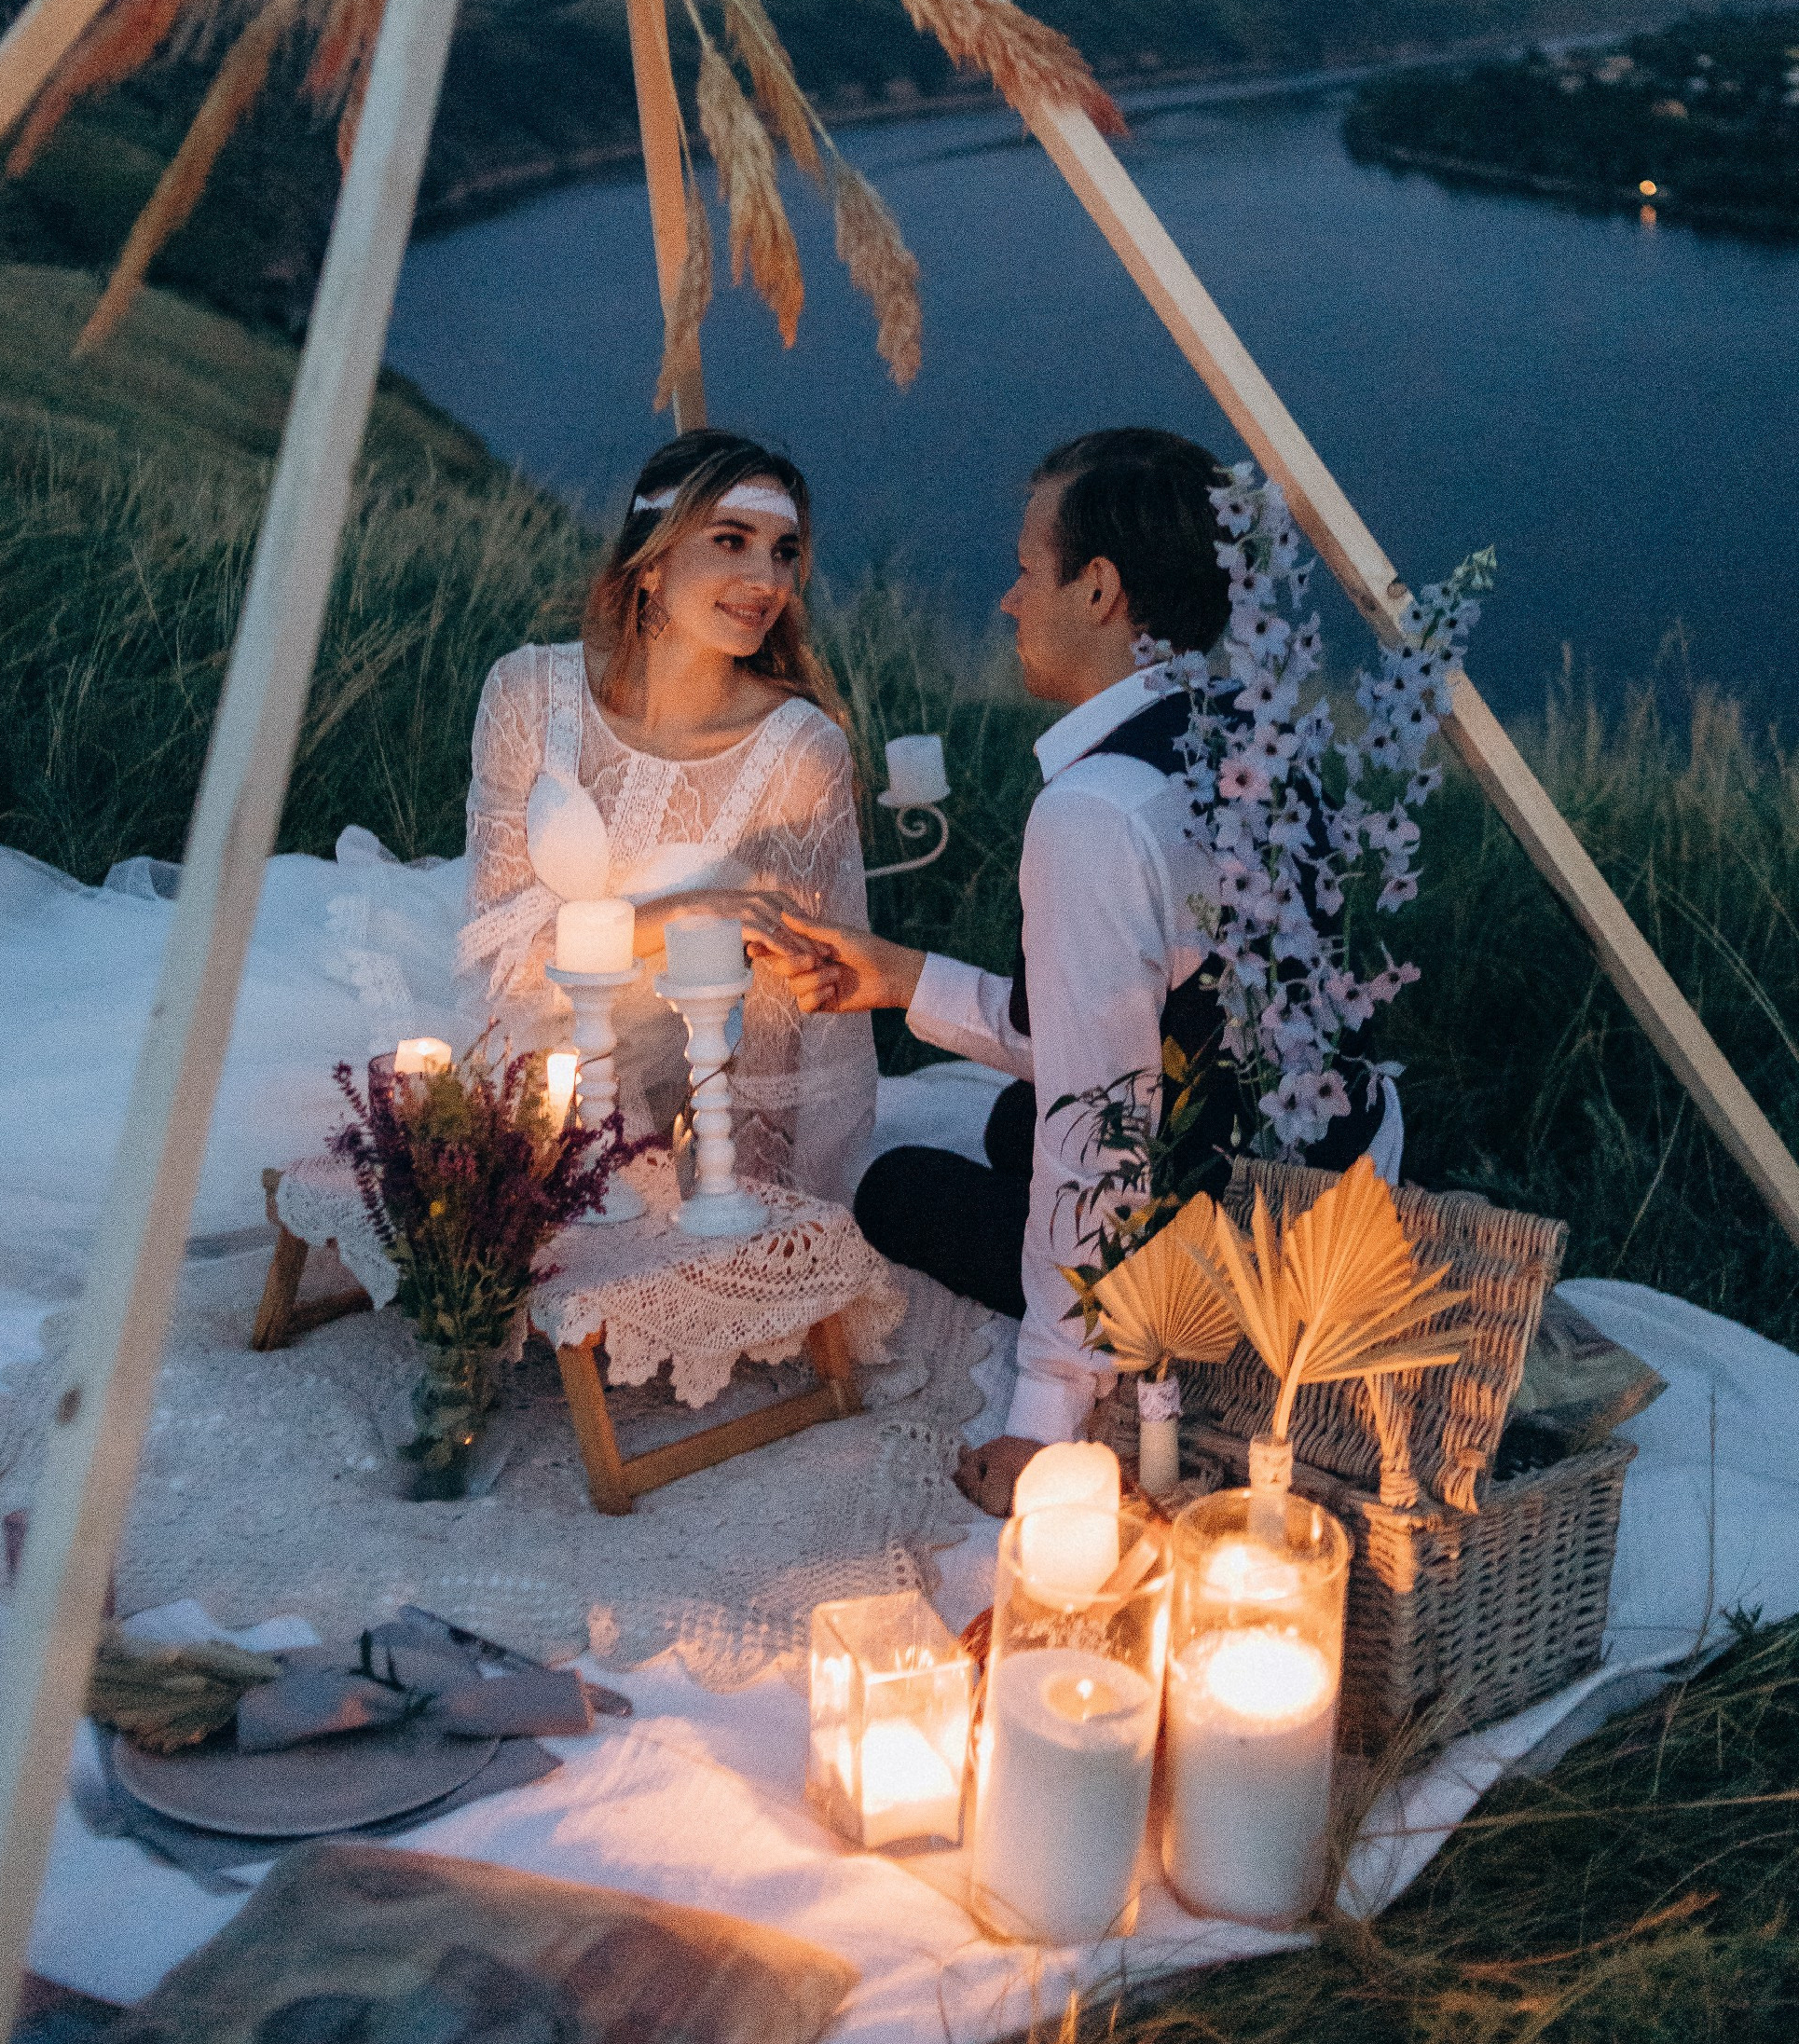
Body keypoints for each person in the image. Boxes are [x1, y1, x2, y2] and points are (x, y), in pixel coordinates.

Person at [753, 427, 1396, 1515]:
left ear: (1097, 589)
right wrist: (901, 979)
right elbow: (1152, 1018)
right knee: (1010, 1123)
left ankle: (1109, 1344)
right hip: (1342, 1166)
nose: (1008, 601)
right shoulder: (1258, 734)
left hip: (1240, 1259)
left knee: (893, 1185)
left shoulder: (1095, 813)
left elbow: (1098, 1126)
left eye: (1024, 569)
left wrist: (1042, 1421)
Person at [458, 430, 878, 1202]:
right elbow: (498, 960)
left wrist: (747, 1193)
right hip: (503, 1051)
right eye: (731, 541)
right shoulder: (528, 694)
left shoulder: (800, 751)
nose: (767, 579)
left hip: (683, 1092)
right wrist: (685, 910)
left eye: (784, 552)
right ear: (650, 561)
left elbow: (789, 1021)